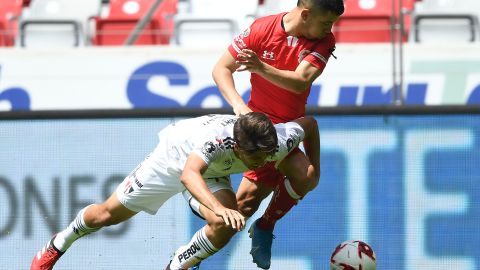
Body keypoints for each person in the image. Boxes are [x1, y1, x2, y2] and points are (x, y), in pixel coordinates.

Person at [29, 112, 320, 270]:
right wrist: (218, 207)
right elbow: (189, 174)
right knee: (106, 215)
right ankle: (57, 244)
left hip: (213, 171)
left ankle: (178, 264)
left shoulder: (278, 141)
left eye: (265, 157)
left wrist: (314, 169)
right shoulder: (216, 141)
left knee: (226, 225)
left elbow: (308, 124)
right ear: (236, 147)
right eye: (255, 160)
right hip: (172, 160)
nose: (261, 165)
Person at [212, 0, 344, 268]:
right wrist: (239, 105)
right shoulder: (261, 29)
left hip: (288, 131)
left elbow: (300, 82)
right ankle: (191, 258)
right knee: (238, 212)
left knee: (306, 175)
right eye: (326, 22)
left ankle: (266, 224)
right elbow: (220, 69)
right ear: (305, 14)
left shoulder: (323, 41)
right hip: (260, 134)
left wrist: (260, 67)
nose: (330, 29)